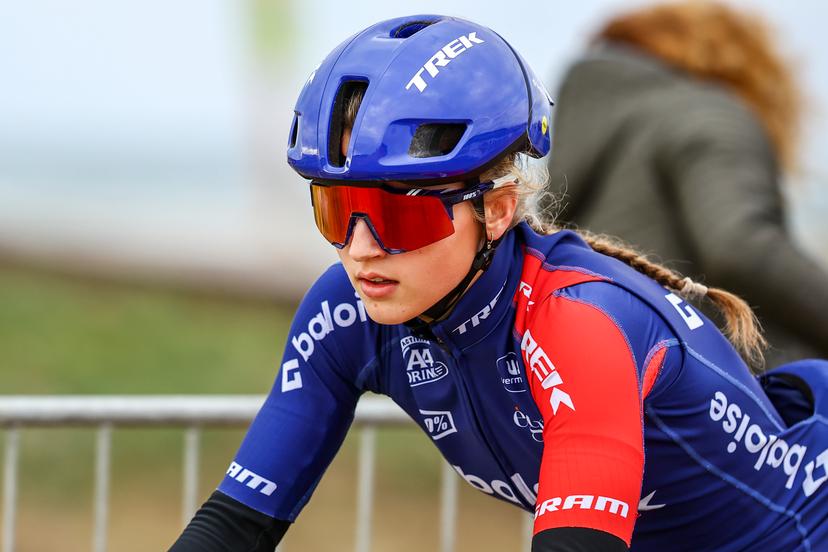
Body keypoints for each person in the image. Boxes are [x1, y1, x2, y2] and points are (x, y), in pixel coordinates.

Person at [171, 15, 828, 551]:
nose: (361, 248)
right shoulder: (348, 312)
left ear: (498, 207)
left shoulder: (577, 320)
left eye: (401, 213)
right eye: (337, 211)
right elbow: (232, 527)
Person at [542, 1, 828, 367]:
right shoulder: (705, 111)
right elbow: (742, 247)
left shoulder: (593, 137)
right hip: (715, 393)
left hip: (605, 373)